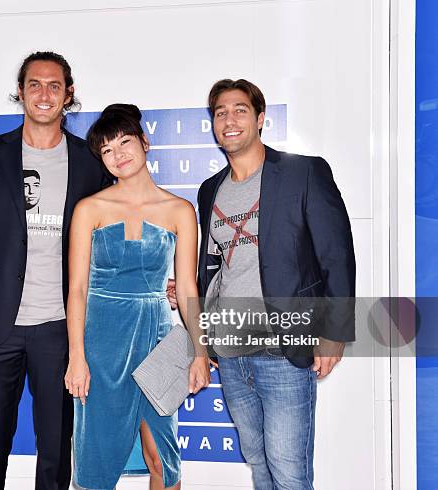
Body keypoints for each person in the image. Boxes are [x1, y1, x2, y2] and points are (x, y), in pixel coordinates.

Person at [0, 51, 111, 490]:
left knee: (57, 449)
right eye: (35, 85)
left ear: (68, 95)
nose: (44, 94)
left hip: (60, 329)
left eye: (54, 86)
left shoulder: (90, 162)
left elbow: (110, 241)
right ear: (20, 92)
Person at [196, 79, 355, 489]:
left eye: (240, 110)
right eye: (220, 113)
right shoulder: (209, 190)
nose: (229, 120)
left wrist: (334, 333)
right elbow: (214, 264)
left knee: (288, 469)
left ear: (261, 118)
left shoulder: (304, 172)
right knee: (259, 463)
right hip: (231, 353)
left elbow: (336, 254)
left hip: (283, 350)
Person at [65, 104, 211, 490]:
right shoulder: (89, 209)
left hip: (157, 339)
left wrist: (199, 351)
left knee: (162, 457)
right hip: (102, 343)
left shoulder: (180, 210)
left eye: (125, 142)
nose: (119, 154)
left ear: (145, 142)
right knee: (95, 460)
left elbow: (189, 289)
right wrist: (76, 356)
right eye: (108, 150)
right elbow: (76, 290)